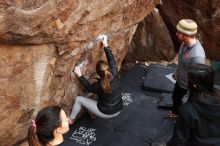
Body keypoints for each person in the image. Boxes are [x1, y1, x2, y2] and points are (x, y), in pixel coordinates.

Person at [69, 35, 123, 124]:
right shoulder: (114, 71)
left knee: (79, 99)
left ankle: (71, 119)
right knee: (95, 97)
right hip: (118, 109)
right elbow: (111, 59)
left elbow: (88, 87)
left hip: (106, 112)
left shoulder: (99, 86)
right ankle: (92, 114)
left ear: (98, 73)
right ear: (108, 68)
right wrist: (105, 44)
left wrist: (79, 75)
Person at [167, 63, 220, 146]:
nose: (185, 79)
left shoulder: (187, 111)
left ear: (194, 85)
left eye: (187, 78)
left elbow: (179, 140)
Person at [165, 19, 206, 119]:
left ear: (186, 35)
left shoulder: (197, 56)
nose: (176, 33)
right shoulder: (184, 44)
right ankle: (175, 114)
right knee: (175, 97)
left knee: (185, 106)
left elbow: (197, 79)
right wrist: (177, 72)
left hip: (187, 87)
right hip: (180, 81)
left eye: (179, 32)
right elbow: (183, 62)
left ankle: (181, 119)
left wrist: (189, 94)